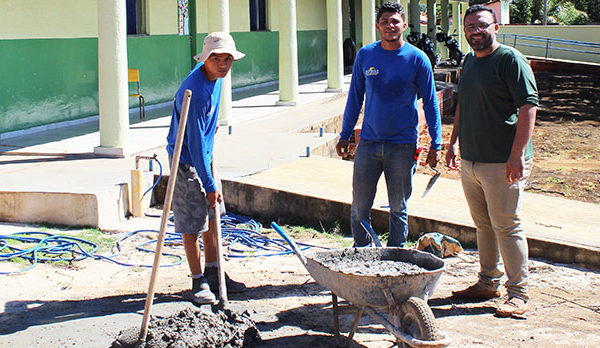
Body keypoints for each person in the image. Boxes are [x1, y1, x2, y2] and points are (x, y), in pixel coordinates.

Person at [445, 5, 539, 317]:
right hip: (471, 160)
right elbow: (463, 104)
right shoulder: (469, 61)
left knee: (507, 226)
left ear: (495, 26)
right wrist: (454, 142)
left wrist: (516, 156)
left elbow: (528, 107)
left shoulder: (510, 59)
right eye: (470, 26)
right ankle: (487, 282)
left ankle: (518, 293)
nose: (475, 31)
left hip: (502, 162)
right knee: (483, 225)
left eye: (482, 25)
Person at [336, 2, 442, 248]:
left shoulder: (417, 59)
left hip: (402, 146)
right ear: (377, 26)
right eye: (385, 21)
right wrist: (345, 135)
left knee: (398, 208)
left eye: (395, 21)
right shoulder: (366, 55)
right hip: (369, 145)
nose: (390, 26)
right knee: (359, 207)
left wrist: (436, 144)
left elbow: (430, 103)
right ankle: (361, 254)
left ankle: (396, 256)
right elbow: (354, 98)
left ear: (404, 25)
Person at [166, 32, 246, 305]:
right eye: (216, 59)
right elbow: (195, 144)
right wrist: (209, 185)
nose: (223, 64)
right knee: (192, 222)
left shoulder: (217, 79)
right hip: (185, 159)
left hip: (206, 156)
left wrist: (211, 176)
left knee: (213, 216)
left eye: (228, 59)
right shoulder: (196, 91)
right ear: (205, 60)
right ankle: (197, 279)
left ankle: (214, 272)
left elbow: (206, 141)